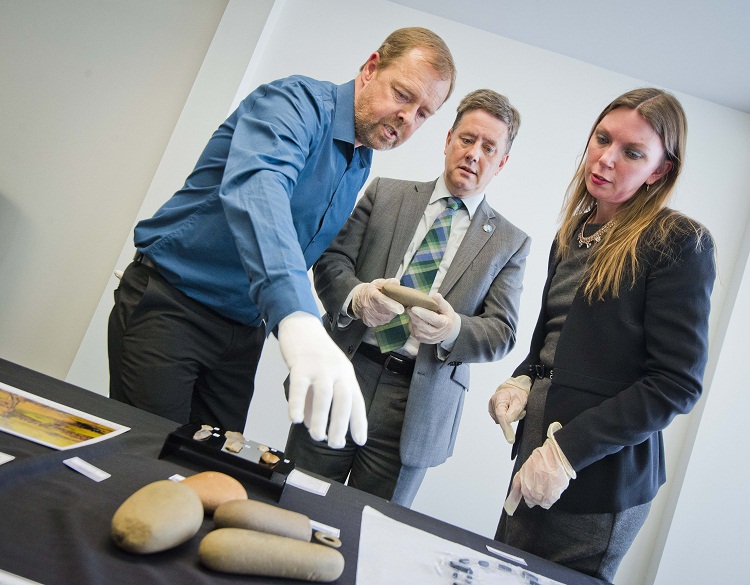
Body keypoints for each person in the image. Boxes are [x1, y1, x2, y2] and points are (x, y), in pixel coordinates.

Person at [107, 27, 456, 449]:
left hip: (244, 329)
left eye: (423, 114)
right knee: (146, 458)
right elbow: (260, 190)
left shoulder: (359, 160)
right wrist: (297, 317)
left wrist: (358, 296)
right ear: (370, 69)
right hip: (174, 304)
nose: (407, 118)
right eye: (403, 95)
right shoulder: (294, 104)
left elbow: (311, 247)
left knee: (213, 467)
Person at [488, 87, 716, 581]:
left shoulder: (678, 241)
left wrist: (567, 452)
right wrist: (522, 379)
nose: (606, 158)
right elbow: (552, 341)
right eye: (602, 139)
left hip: (598, 475)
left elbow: (676, 384)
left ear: (659, 171)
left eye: (632, 153)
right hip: (535, 452)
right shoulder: (573, 233)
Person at [285, 89, 531, 507]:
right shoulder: (385, 193)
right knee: (296, 500)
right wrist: (356, 297)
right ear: (448, 139)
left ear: (502, 162)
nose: (473, 154)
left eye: (489, 148)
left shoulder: (511, 243)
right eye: (467, 139)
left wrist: (452, 330)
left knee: (371, 528)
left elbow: (502, 332)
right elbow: (332, 261)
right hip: (344, 371)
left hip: (415, 408)